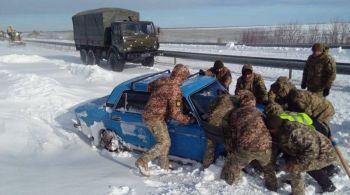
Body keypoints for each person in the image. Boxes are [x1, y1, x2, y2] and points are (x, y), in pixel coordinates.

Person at [135, 64, 193, 176]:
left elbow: (149, 87)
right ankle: (143, 161)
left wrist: (159, 97)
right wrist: (187, 119)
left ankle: (164, 166)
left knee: (165, 143)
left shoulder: (163, 79)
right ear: (182, 77)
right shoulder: (175, 91)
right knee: (164, 142)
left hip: (150, 114)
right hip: (154, 118)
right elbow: (175, 114)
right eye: (185, 77)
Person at [266, 113, 338, 195]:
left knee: (295, 167)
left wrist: (296, 162)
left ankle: (326, 186)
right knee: (291, 160)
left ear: (273, 129)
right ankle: (329, 169)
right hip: (314, 151)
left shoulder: (295, 132)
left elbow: (312, 152)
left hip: (325, 154)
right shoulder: (282, 129)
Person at [221, 90, 277, 191]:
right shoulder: (259, 112)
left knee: (235, 165)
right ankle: (273, 187)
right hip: (265, 148)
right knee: (268, 168)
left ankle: (229, 185)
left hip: (246, 149)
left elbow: (233, 133)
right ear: (253, 101)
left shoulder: (235, 113)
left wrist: (233, 148)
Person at [266, 76, 335, 125]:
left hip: (324, 111)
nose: (278, 95)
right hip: (318, 108)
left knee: (317, 128)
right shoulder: (290, 94)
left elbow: (306, 117)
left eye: (279, 93)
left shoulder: (297, 97)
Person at [201, 93, 238, 169]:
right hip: (221, 126)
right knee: (230, 145)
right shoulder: (237, 105)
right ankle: (229, 166)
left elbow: (210, 109)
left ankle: (206, 166)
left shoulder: (220, 97)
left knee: (210, 146)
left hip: (211, 123)